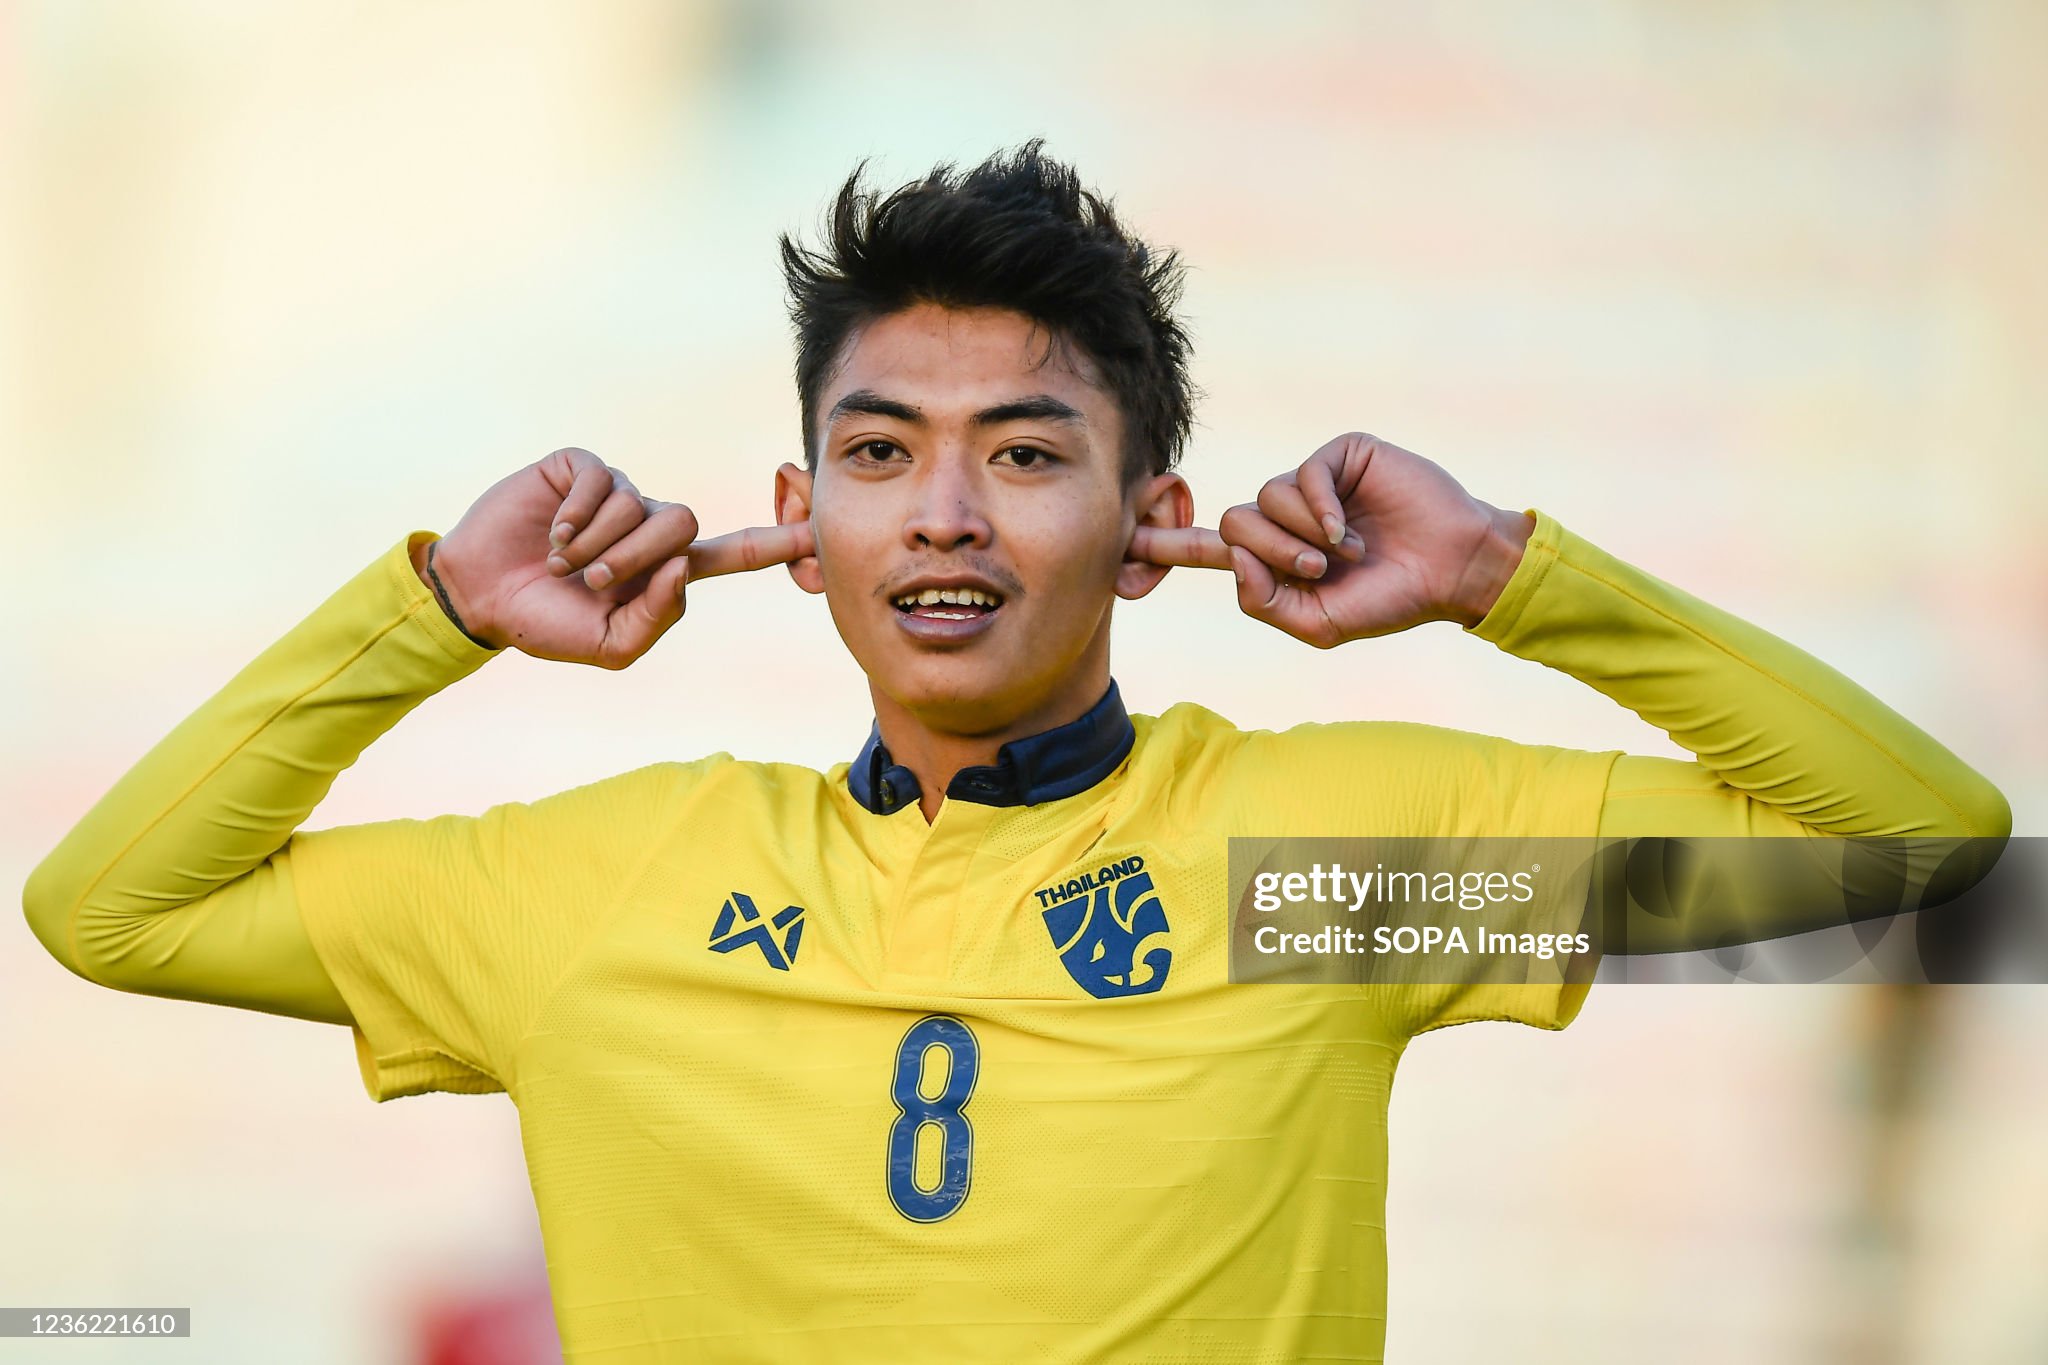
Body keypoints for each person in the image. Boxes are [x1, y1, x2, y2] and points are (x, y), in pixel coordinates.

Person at [22, 140, 2011, 1363]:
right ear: (799, 517)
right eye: (883, 452)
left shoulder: (1319, 873)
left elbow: (1913, 849)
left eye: (1029, 453)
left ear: (1154, 522)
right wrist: (433, 610)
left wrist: (1510, 575)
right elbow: (112, 908)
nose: (947, 515)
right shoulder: (596, 879)